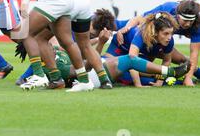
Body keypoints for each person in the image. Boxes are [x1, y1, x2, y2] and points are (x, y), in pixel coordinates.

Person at [15, 44, 190, 88]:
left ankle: (176, 78)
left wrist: (94, 45)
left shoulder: (53, 50)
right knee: (130, 59)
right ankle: (171, 71)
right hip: (93, 76)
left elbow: (79, 52)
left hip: (98, 65)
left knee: (138, 72)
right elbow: (83, 68)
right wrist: (96, 48)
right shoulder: (51, 66)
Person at [116, 0, 200, 86]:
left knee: (184, 60)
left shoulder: (197, 24)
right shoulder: (168, 9)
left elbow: (194, 53)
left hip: (159, 44)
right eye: (185, 20)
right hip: (146, 42)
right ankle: (172, 74)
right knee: (114, 24)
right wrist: (126, 28)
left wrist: (188, 78)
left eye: (191, 21)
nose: (188, 24)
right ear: (178, 16)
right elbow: (139, 19)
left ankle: (194, 73)